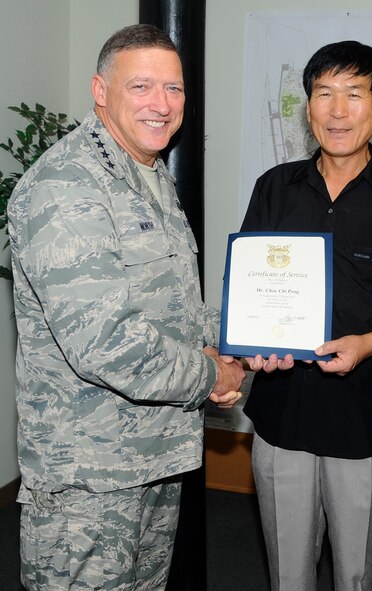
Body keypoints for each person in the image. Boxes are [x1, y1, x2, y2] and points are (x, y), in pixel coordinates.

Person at [7, 24, 246, 590]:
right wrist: (213, 373)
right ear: (99, 89)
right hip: (88, 483)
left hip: (150, 458)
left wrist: (246, 340)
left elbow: (176, 309)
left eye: (175, 89)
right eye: (141, 86)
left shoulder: (148, 174)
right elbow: (104, 342)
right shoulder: (67, 187)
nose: (161, 105)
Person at [239, 40, 372, 590]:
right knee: (288, 572)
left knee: (358, 574)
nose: (337, 110)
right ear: (307, 109)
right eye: (323, 94)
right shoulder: (274, 188)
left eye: (354, 95)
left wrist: (369, 343)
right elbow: (252, 288)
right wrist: (250, 343)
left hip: (367, 417)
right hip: (283, 412)